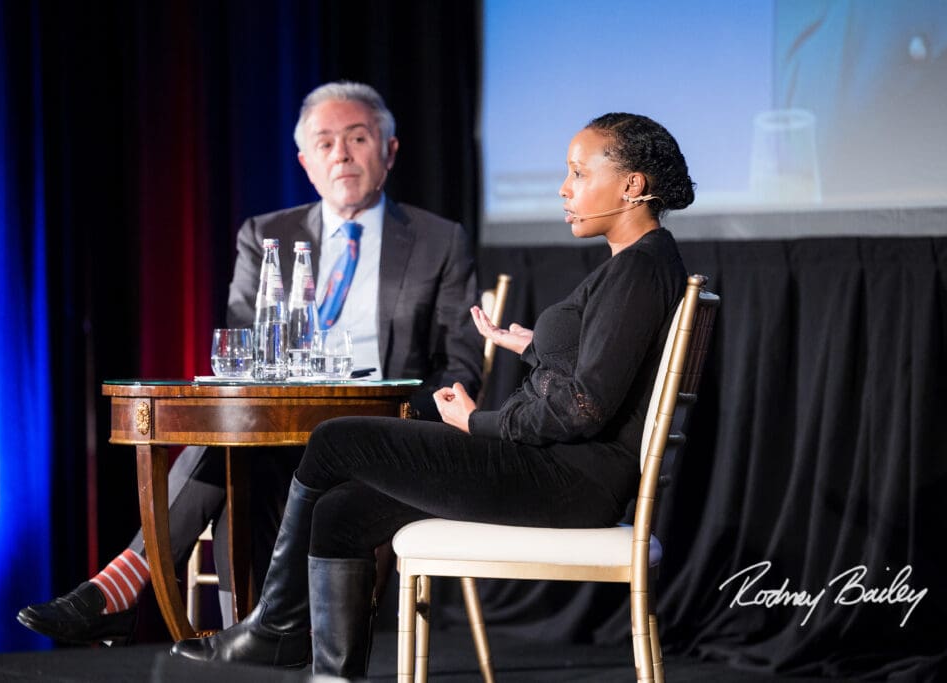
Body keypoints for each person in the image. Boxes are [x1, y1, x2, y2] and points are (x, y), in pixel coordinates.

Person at [168, 112, 696, 678]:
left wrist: (478, 424)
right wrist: (534, 347)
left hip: (567, 481)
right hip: (562, 472)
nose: (564, 189)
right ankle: (322, 667)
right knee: (343, 513)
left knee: (334, 440)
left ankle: (274, 626)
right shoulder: (642, 264)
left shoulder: (638, 269)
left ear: (631, 186)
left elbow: (584, 408)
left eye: (577, 172)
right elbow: (606, 370)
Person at [16, 81, 482, 645]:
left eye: (358, 138)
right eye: (326, 142)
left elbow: (461, 365)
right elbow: (244, 357)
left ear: (389, 150)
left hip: (379, 432)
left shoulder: (439, 240)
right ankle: (248, 632)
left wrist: (404, 420)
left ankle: (146, 595)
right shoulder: (267, 236)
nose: (342, 153)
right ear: (305, 161)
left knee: (234, 461)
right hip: (279, 428)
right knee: (231, 448)